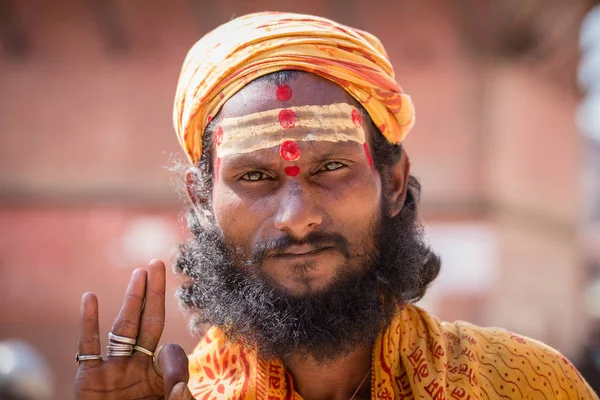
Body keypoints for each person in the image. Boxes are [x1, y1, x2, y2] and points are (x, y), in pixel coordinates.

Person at [73, 12, 599, 400]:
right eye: (254, 177)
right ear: (203, 201)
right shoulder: (188, 393)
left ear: (393, 181)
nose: (297, 215)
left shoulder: (528, 383)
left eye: (331, 169)